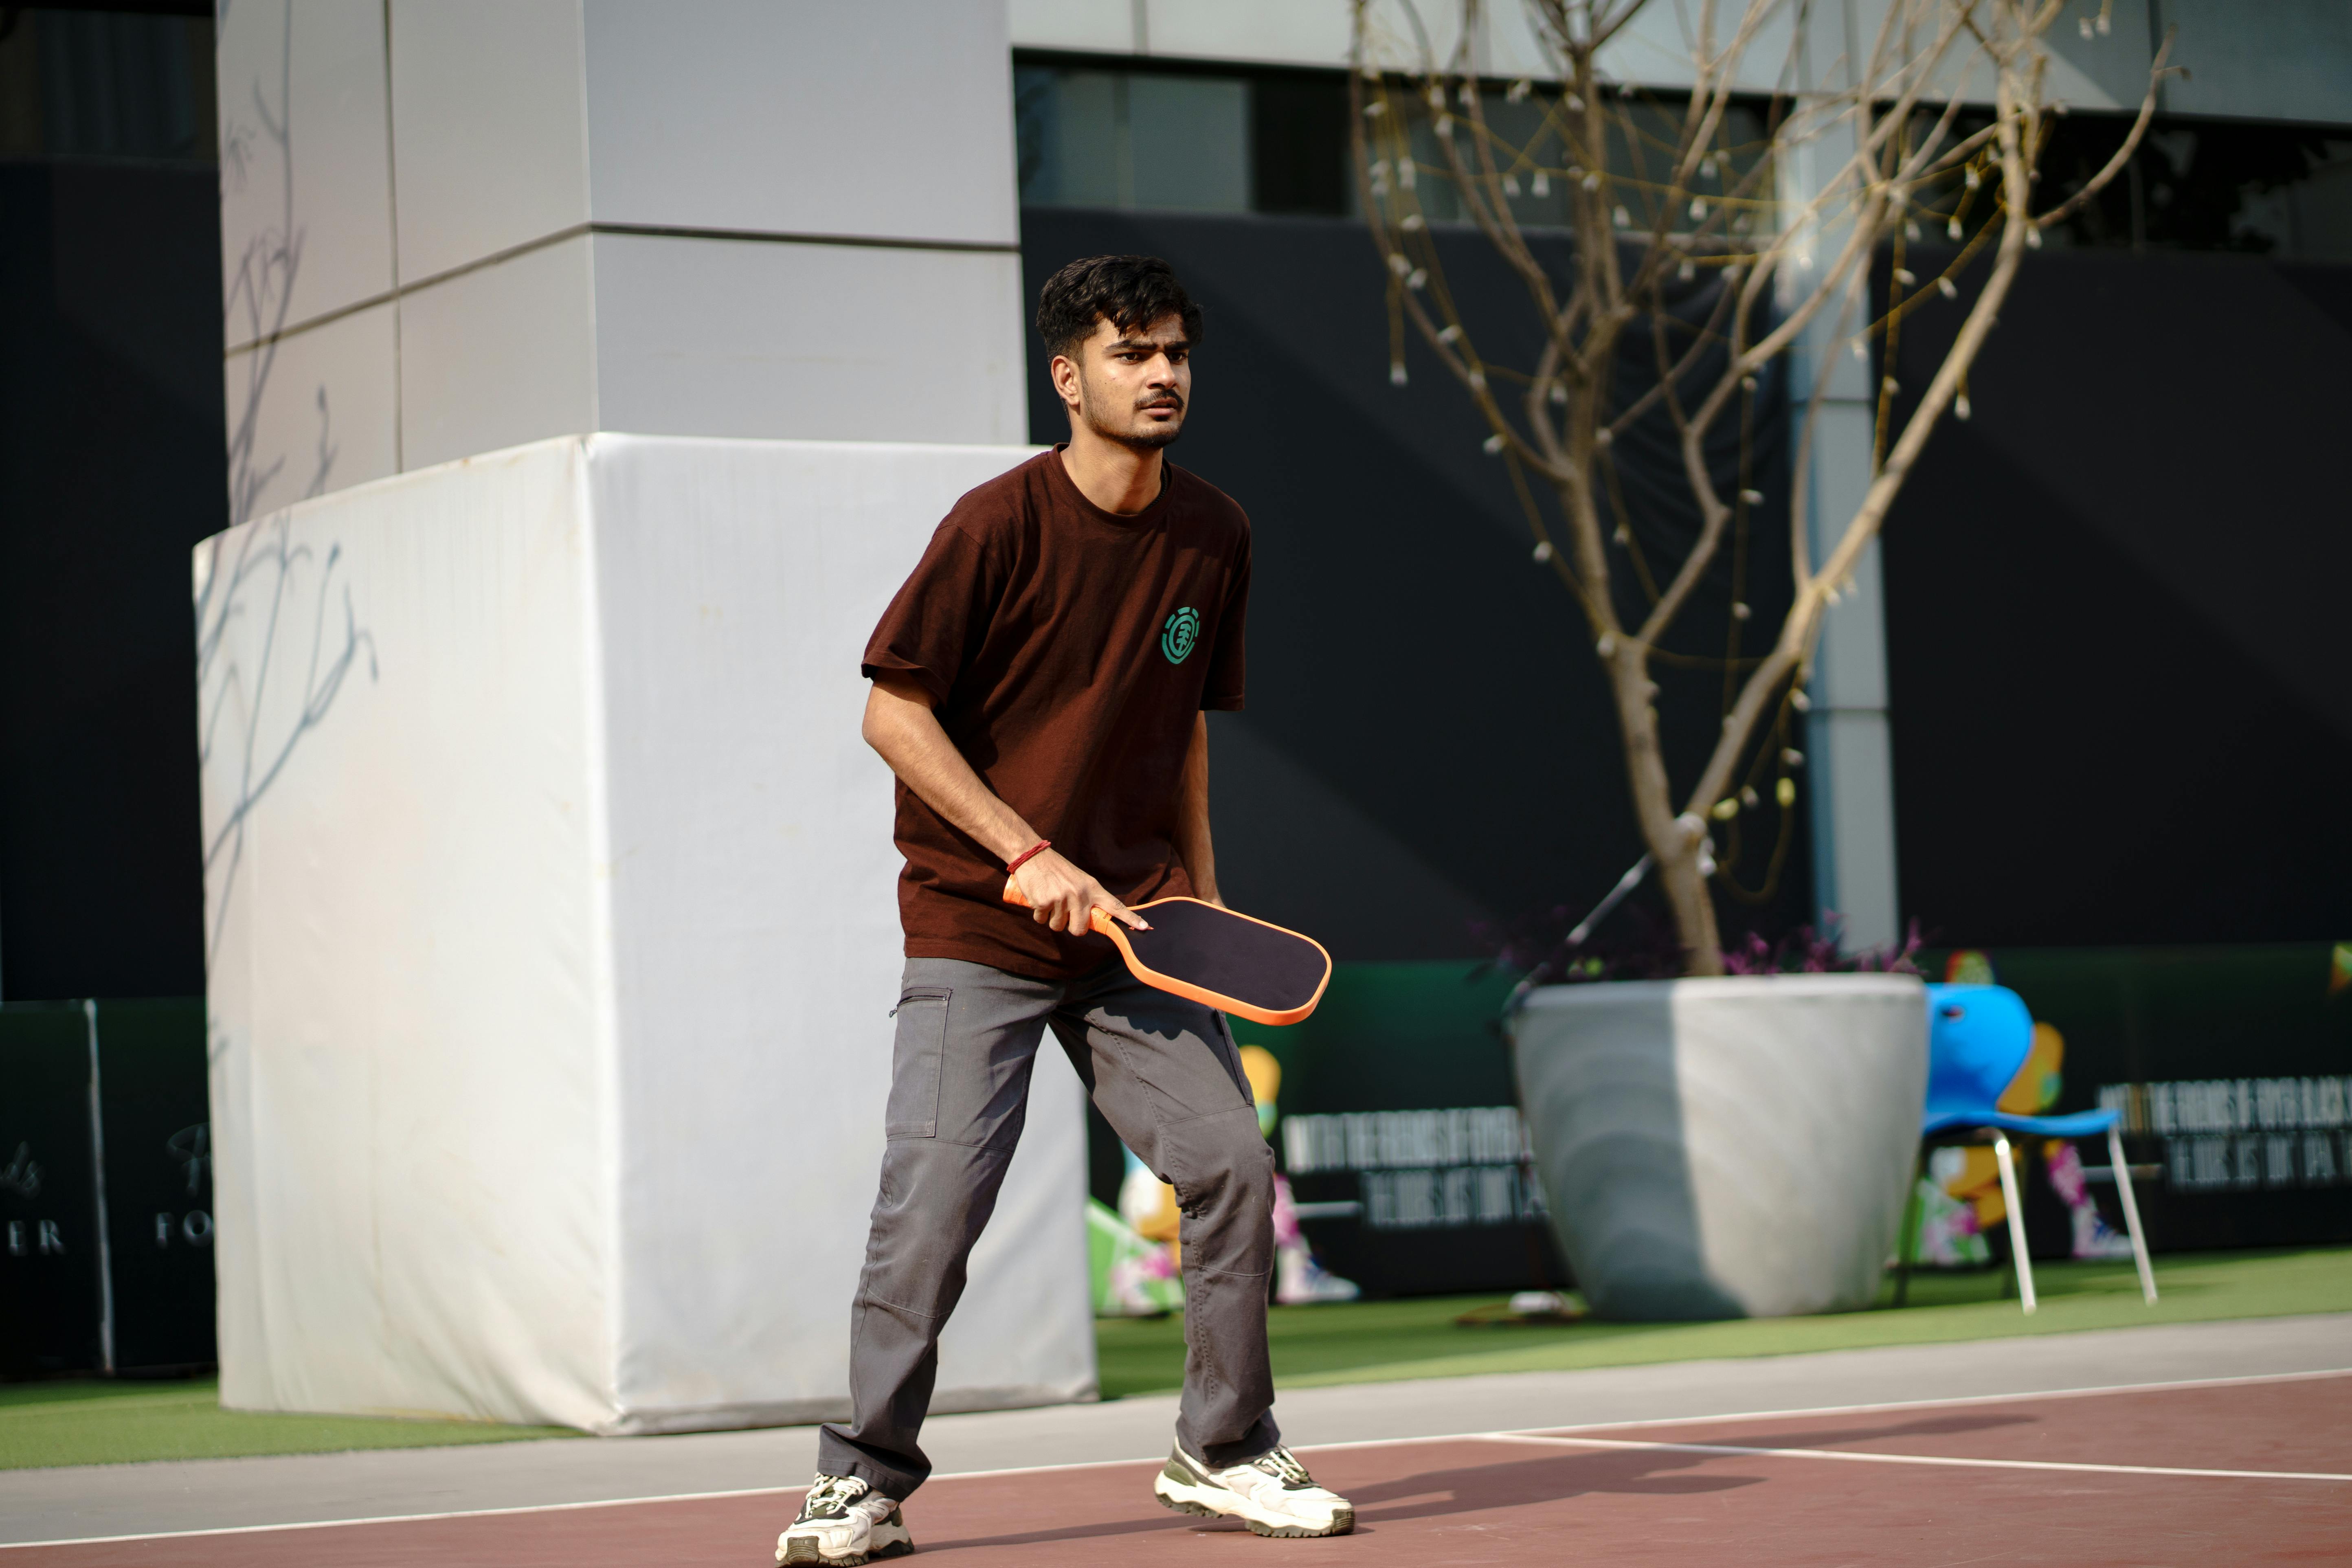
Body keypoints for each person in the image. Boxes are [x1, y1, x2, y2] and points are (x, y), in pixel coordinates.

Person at [774, 255, 1354, 1566]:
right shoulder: (995, 526)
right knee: (931, 1210)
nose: (1161, 376)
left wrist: (1198, 903)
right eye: (1132, 353)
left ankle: (1224, 1449)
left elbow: (1186, 732)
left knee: (1230, 1166)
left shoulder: (1217, 533)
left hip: (1135, 932)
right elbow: (893, 712)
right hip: (979, 927)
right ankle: (860, 1482)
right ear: (1069, 376)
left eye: (1175, 355)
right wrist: (1023, 849)